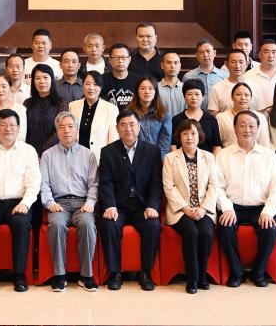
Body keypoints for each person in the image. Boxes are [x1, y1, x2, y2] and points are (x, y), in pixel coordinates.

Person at [0, 109, 42, 293]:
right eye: (3, 125)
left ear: (18, 128)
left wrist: (25, 204)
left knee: (21, 223)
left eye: (12, 125)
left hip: (18, 203)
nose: (8, 129)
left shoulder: (28, 151)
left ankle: (19, 275)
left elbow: (34, 183)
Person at [214, 111, 276, 287]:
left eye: (252, 126)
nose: (247, 130)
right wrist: (226, 208)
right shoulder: (223, 155)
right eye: (242, 126)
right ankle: (236, 272)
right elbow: (217, 186)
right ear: (234, 128)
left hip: (260, 207)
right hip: (233, 206)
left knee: (270, 231)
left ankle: (258, 272)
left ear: (258, 129)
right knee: (224, 229)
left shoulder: (270, 156)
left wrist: (268, 211)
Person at [97, 110, 162, 291]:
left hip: (142, 206)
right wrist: (110, 205)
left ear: (139, 127)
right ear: (117, 128)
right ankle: (115, 273)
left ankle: (146, 273)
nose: (128, 129)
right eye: (123, 125)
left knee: (153, 225)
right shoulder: (108, 152)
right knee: (109, 225)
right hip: (119, 206)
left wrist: (152, 205)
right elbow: (105, 182)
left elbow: (156, 183)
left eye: (132, 124)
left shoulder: (152, 151)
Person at [40, 112, 100, 292]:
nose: (66, 130)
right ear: (57, 131)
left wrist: (91, 202)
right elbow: (43, 184)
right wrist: (49, 202)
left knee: (88, 225)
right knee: (57, 225)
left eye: (70, 126)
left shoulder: (88, 155)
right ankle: (59, 275)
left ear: (77, 130)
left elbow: (94, 184)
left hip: (83, 203)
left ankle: (86, 275)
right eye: (61, 127)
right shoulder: (47, 155)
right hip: (59, 203)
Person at [162, 119, 220, 293]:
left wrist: (203, 209)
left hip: (204, 209)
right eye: (185, 133)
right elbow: (169, 187)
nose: (189, 137)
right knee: (191, 232)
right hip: (180, 210)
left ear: (199, 136)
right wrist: (186, 208)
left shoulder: (208, 157)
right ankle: (192, 279)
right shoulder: (171, 158)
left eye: (193, 133)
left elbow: (214, 185)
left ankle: (202, 275)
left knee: (206, 232)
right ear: (179, 137)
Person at [69, 71, 120, 160]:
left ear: (101, 87)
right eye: (87, 84)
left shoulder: (111, 109)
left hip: (100, 159)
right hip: (76, 158)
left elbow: (114, 140)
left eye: (95, 84)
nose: (91, 88)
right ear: (82, 85)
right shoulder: (72, 106)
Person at [23, 64, 67, 156]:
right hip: (30, 154)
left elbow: (61, 129)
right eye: (38, 78)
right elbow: (24, 130)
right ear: (33, 81)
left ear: (52, 80)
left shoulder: (60, 103)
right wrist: (30, 151)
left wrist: (43, 150)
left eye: (45, 77)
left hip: (54, 153)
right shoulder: (27, 103)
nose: (42, 81)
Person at [216, 83, 272, 149]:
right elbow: (217, 145)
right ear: (232, 97)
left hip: (255, 154)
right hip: (229, 154)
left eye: (246, 95)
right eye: (238, 94)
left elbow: (265, 144)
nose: (242, 98)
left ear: (251, 98)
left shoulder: (260, 117)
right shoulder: (221, 118)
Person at [129, 76, 172, 162]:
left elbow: (165, 140)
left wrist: (159, 160)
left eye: (150, 88)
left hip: (156, 159)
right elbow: (127, 138)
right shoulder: (129, 113)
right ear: (137, 92)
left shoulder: (163, 113)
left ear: (155, 92)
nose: (147, 91)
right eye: (143, 88)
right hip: (134, 159)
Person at [170, 80, 220, 152]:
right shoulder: (177, 120)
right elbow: (173, 145)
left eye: (197, 94)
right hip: (181, 158)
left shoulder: (211, 120)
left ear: (203, 97)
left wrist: (212, 159)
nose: (193, 97)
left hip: (207, 158)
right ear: (184, 97)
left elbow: (216, 146)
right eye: (189, 94)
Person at [243, 40, 276, 110]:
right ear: (260, 54)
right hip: (254, 115)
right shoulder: (247, 76)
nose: (271, 56)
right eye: (266, 52)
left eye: (274, 52)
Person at [182, 39, 224, 112]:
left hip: (219, 116)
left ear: (214, 53)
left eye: (208, 51)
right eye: (201, 52)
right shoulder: (188, 77)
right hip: (195, 116)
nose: (205, 55)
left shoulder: (224, 76)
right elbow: (184, 101)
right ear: (197, 55)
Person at [208, 48, 253, 115]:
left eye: (241, 62)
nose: (237, 66)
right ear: (226, 64)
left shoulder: (254, 86)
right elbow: (213, 114)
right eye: (233, 62)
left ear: (247, 64)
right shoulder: (217, 88)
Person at [102, 43, 138, 110]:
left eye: (123, 57)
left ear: (129, 59)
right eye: (116, 57)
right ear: (109, 60)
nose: (120, 61)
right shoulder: (102, 80)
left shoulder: (138, 80)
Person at [157, 51, 186, 117]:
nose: (172, 66)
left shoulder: (186, 88)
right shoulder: (155, 88)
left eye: (176, 63)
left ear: (180, 66)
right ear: (162, 65)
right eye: (169, 62)